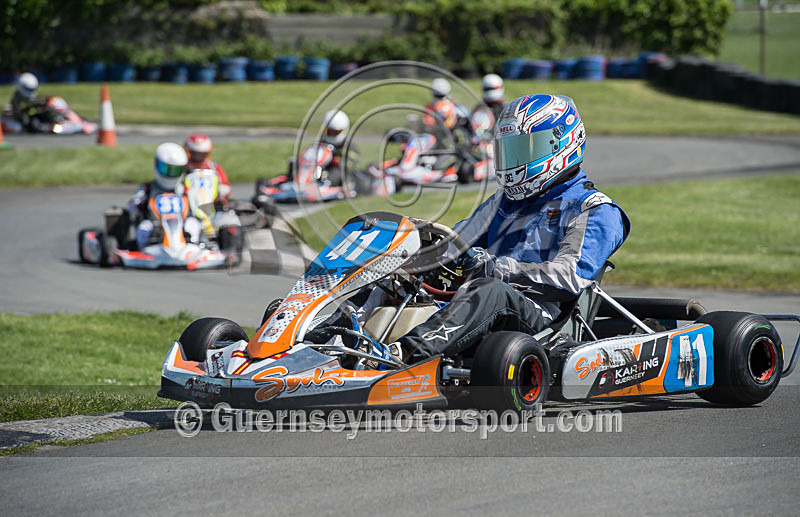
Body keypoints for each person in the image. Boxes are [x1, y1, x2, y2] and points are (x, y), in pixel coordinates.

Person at [393, 93, 630, 360]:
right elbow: (456, 242)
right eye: (511, 150)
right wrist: (417, 248)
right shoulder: (502, 202)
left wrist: (498, 270)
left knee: (488, 290)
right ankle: (345, 345)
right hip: (477, 307)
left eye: (525, 150)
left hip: (542, 321)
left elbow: (569, 277)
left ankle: (402, 356)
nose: (515, 160)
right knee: (391, 277)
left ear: (560, 144)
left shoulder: (594, 209)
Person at [128, 142, 202, 249]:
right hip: (155, 223)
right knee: (144, 228)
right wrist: (138, 203)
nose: (170, 174)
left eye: (175, 171)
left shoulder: (184, 188)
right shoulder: (149, 188)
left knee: (193, 224)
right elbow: (133, 205)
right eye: (166, 169)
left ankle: (193, 248)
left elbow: (196, 204)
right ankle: (143, 250)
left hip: (182, 223)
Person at [184, 134, 232, 202]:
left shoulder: (213, 167)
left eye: (201, 154)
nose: (198, 157)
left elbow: (226, 187)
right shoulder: (184, 167)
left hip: (211, 202)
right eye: (195, 154)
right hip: (189, 201)